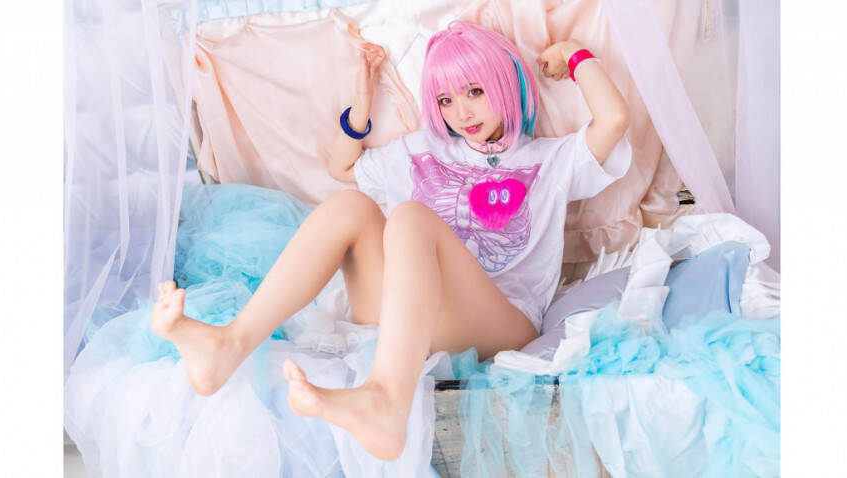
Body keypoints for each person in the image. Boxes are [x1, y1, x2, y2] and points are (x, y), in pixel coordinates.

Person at [151, 20, 631, 461]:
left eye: (475, 91)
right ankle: (229, 343)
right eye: (445, 100)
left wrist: (574, 53)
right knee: (350, 207)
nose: (462, 112)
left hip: (503, 324)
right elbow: (342, 168)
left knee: (409, 219)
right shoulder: (424, 151)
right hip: (413, 316)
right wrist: (362, 102)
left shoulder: (550, 160)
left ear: (505, 84)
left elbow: (613, 120)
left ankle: (385, 400)